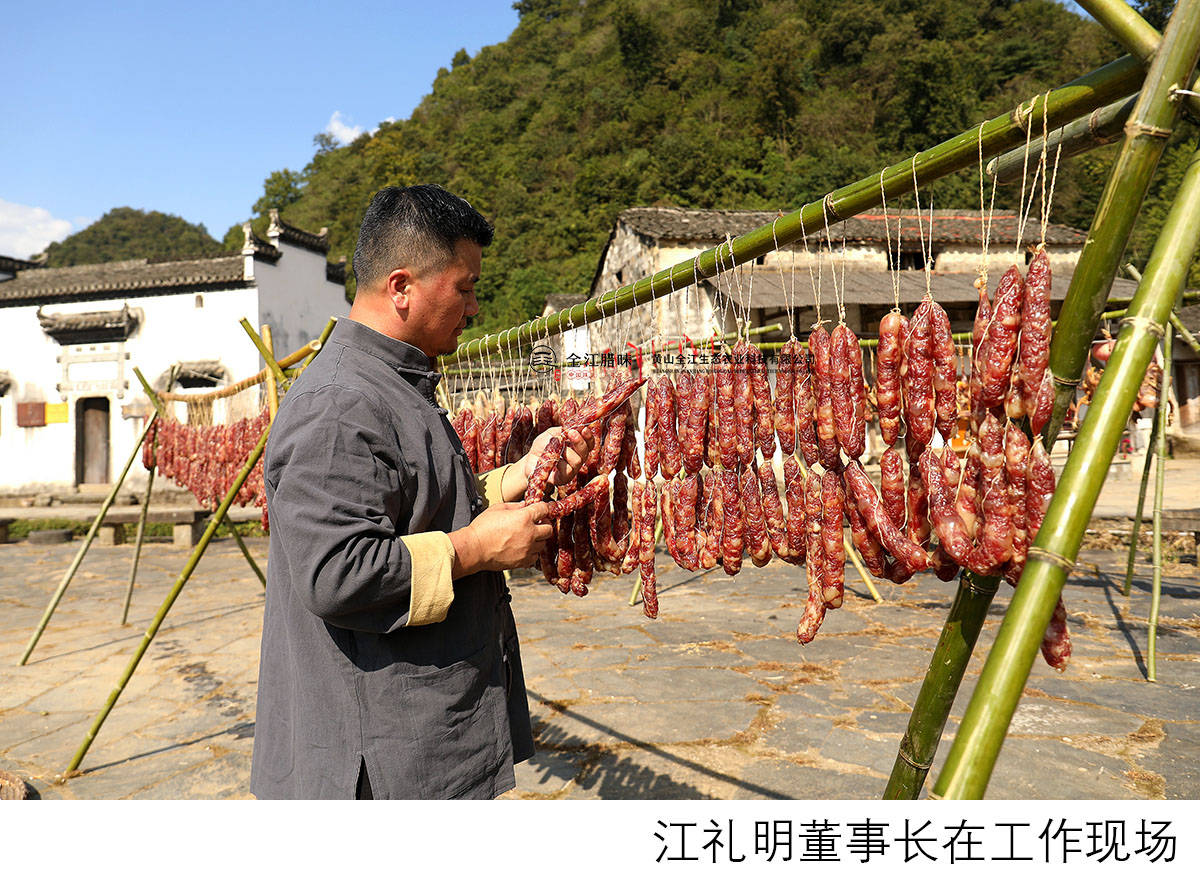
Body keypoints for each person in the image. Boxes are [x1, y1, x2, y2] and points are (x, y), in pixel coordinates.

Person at [250, 184, 592, 799]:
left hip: (418, 734)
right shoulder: (340, 402)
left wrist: (521, 474)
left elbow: (418, 504)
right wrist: (476, 550)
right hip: (380, 761)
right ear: (402, 287)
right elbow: (337, 572)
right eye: (465, 287)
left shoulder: (390, 383)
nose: (476, 307)